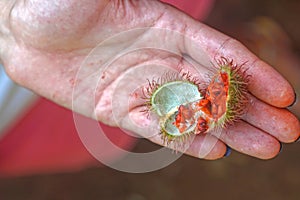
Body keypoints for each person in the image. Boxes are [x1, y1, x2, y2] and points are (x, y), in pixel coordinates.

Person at [0, 0, 299, 176]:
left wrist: (10, 22)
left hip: (53, 50)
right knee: (101, 131)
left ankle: (254, 45)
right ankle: (257, 44)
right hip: (30, 102)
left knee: (171, 36)